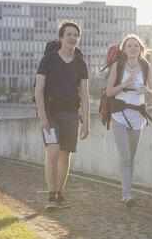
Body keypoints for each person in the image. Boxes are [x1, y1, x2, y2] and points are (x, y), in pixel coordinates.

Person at [35, 21, 90, 210]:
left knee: (65, 155)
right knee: (53, 150)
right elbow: (39, 90)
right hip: (50, 112)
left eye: (76, 35)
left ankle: (59, 195)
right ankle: (51, 196)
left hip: (71, 113)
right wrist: (43, 117)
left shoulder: (81, 64)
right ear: (61, 38)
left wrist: (86, 121)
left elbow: (84, 93)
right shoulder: (48, 60)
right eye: (69, 34)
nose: (72, 38)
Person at [106, 34, 152, 207]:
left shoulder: (146, 66)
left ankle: (127, 193)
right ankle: (127, 195)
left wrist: (146, 90)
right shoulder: (118, 66)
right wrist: (124, 83)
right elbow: (109, 92)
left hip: (137, 116)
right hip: (119, 114)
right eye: (129, 46)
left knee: (131, 158)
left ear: (141, 49)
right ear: (124, 49)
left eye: (136, 45)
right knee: (125, 157)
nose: (133, 48)